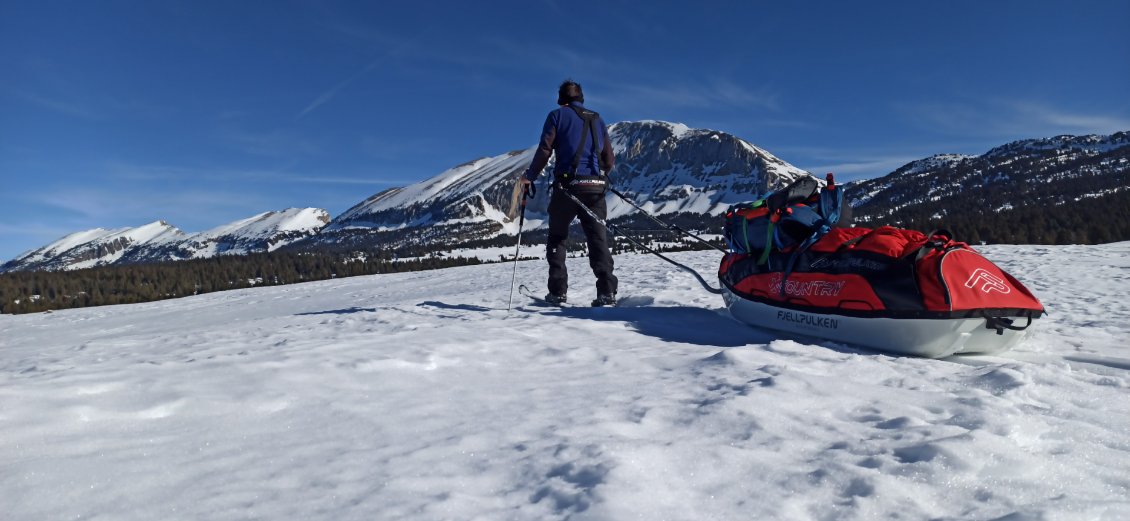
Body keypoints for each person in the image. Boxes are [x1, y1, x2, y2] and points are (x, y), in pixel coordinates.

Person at [520, 80, 618, 307]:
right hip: (595, 187)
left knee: (557, 238)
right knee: (597, 239)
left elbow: (545, 149)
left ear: (560, 98)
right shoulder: (598, 119)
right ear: (581, 97)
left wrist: (530, 176)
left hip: (567, 187)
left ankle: (558, 292)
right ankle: (606, 292)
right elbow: (609, 160)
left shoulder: (556, 116)